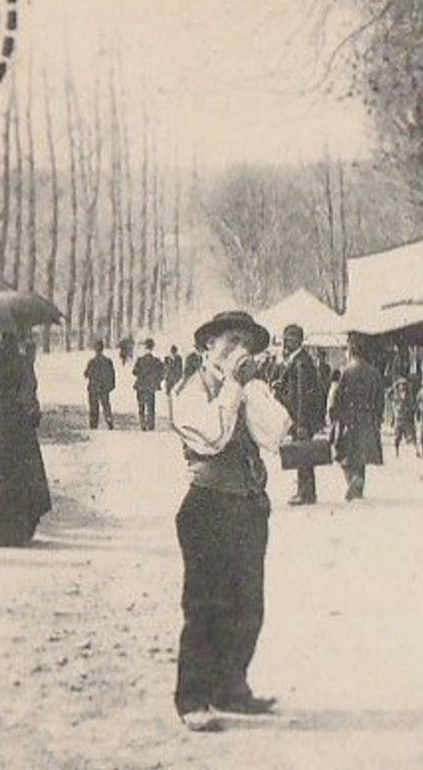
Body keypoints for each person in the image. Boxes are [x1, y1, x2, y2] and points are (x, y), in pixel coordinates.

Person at [169, 310, 291, 731]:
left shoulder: (245, 389)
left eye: (247, 344)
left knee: (248, 604)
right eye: (231, 342)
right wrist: (235, 387)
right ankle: (193, 699)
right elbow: (214, 436)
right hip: (207, 506)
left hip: (248, 505)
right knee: (205, 604)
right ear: (207, 348)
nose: (241, 351)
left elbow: (275, 435)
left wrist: (250, 388)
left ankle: (231, 687)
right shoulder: (188, 391)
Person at [0, 332, 53, 547]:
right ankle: (16, 533)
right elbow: (28, 393)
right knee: (16, 473)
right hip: (14, 419)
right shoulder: (21, 363)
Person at [272, 323, 327, 505]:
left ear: (297, 340)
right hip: (298, 416)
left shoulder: (301, 362)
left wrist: (302, 423)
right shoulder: (298, 360)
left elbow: (302, 395)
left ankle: (305, 493)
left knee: (303, 454)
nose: (285, 343)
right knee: (303, 453)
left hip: (300, 417)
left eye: (288, 339)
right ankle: (305, 491)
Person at [328, 335, 387, 501]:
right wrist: (378, 418)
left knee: (345, 454)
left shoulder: (346, 371)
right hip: (368, 417)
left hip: (349, 418)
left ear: (351, 351)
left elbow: (336, 397)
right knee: (362, 454)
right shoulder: (374, 372)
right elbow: (380, 398)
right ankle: (359, 486)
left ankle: (353, 481)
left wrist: (334, 416)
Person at [133, 339, 165, 431]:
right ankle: (151, 425)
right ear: (152, 347)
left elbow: (134, 372)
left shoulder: (140, 360)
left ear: (145, 348)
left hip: (140, 386)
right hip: (151, 386)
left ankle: (143, 424)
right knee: (151, 407)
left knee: (141, 406)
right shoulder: (156, 360)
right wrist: (157, 381)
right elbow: (162, 372)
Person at [84, 340, 117, 430]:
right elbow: (112, 374)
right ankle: (109, 419)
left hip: (93, 387)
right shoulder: (108, 361)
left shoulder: (92, 362)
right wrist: (111, 386)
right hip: (104, 388)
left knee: (93, 407)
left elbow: (86, 374)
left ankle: (93, 424)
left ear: (95, 350)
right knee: (106, 405)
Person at [389, 373, 417, 455]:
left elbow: (412, 405)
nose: (403, 386)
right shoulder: (396, 395)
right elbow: (389, 396)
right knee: (397, 436)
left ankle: (416, 450)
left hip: (407, 417)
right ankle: (396, 451)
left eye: (404, 385)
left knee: (412, 435)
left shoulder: (409, 395)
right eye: (401, 385)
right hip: (399, 418)